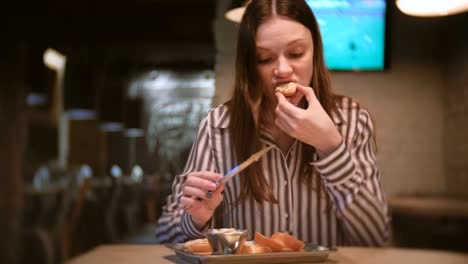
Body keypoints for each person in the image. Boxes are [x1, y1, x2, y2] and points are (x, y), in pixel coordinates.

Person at [155, 0, 389, 247]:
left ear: (316, 52)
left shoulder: (351, 119)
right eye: (264, 58)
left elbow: (375, 237)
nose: (283, 70)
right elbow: (165, 235)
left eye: (296, 53)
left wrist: (330, 147)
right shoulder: (218, 126)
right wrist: (197, 220)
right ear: (249, 65)